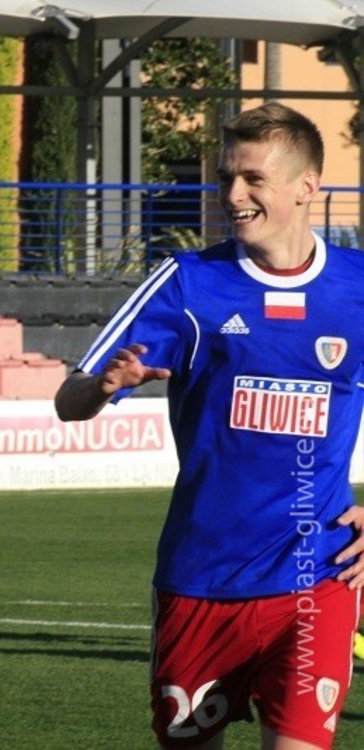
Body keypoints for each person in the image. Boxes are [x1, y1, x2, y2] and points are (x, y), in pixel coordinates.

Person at [54, 102, 364, 750]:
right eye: (226, 178)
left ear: (307, 186)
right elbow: (68, 400)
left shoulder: (357, 288)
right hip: (201, 581)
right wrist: (102, 385)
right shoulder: (188, 283)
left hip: (316, 583)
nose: (233, 195)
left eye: (253, 179)